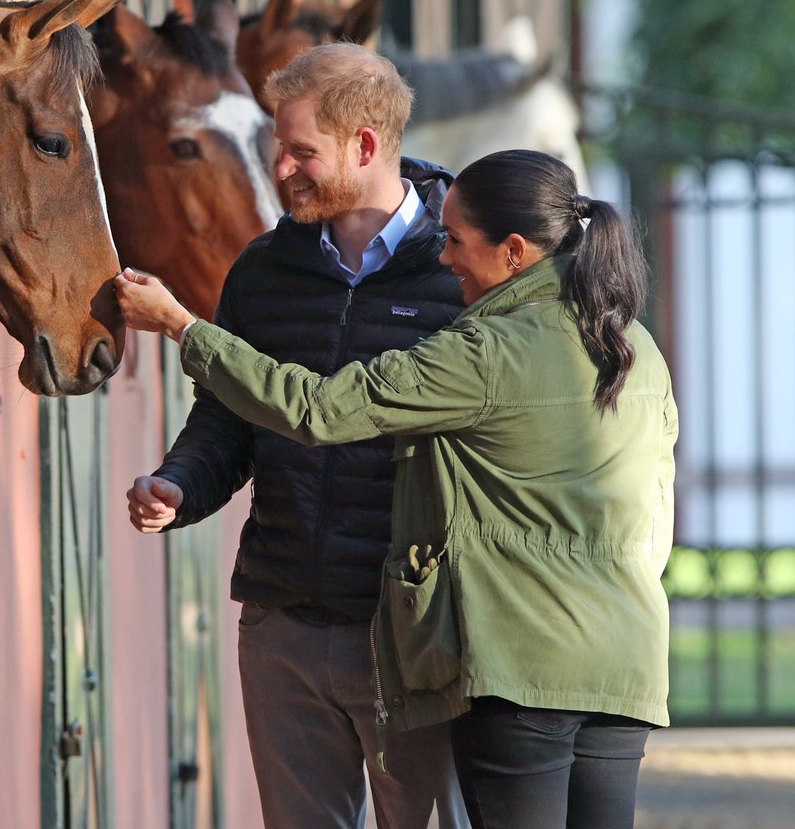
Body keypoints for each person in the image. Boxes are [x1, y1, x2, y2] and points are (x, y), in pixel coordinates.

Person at [115, 148, 677, 829]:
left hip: (523, 667)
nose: (446, 257)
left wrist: (182, 326)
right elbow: (656, 511)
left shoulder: (486, 351)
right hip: (624, 662)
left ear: (515, 251)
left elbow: (317, 410)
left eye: (457, 241)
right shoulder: (635, 346)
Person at [124, 42, 470, 829]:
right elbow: (226, 417)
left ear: (366, 145)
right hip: (281, 622)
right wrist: (179, 484)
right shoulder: (262, 268)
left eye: (300, 152)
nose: (280, 169)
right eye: (277, 147)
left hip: (413, 632)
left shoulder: (460, 274)